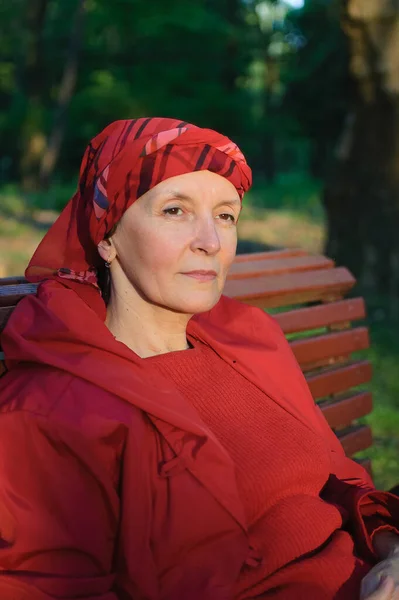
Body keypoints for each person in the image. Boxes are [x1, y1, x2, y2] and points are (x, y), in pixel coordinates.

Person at [0, 117, 399, 600]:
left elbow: (339, 481)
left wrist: (391, 553)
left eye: (226, 215)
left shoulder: (249, 342)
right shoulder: (54, 407)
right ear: (107, 236)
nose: (211, 241)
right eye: (174, 210)